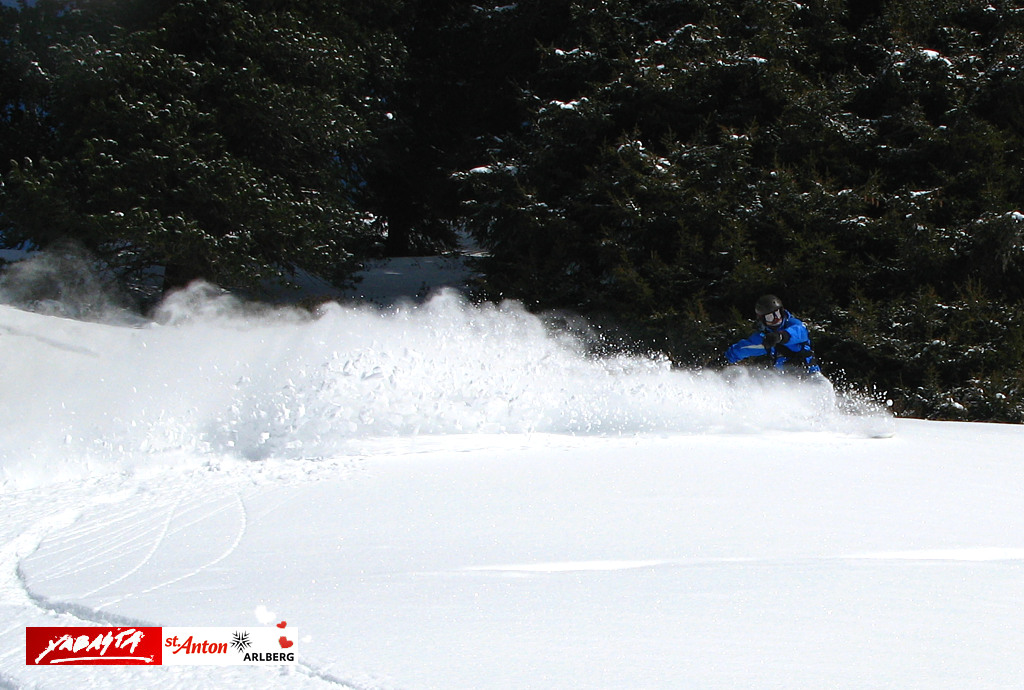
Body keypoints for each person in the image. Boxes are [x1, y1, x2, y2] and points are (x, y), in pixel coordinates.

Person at [724, 294, 821, 374]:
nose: (776, 319)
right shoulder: (764, 338)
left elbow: (799, 332)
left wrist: (780, 336)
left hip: (810, 375)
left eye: (777, 314)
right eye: (770, 317)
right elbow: (744, 348)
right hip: (787, 381)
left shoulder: (792, 324)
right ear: (763, 319)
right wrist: (725, 359)